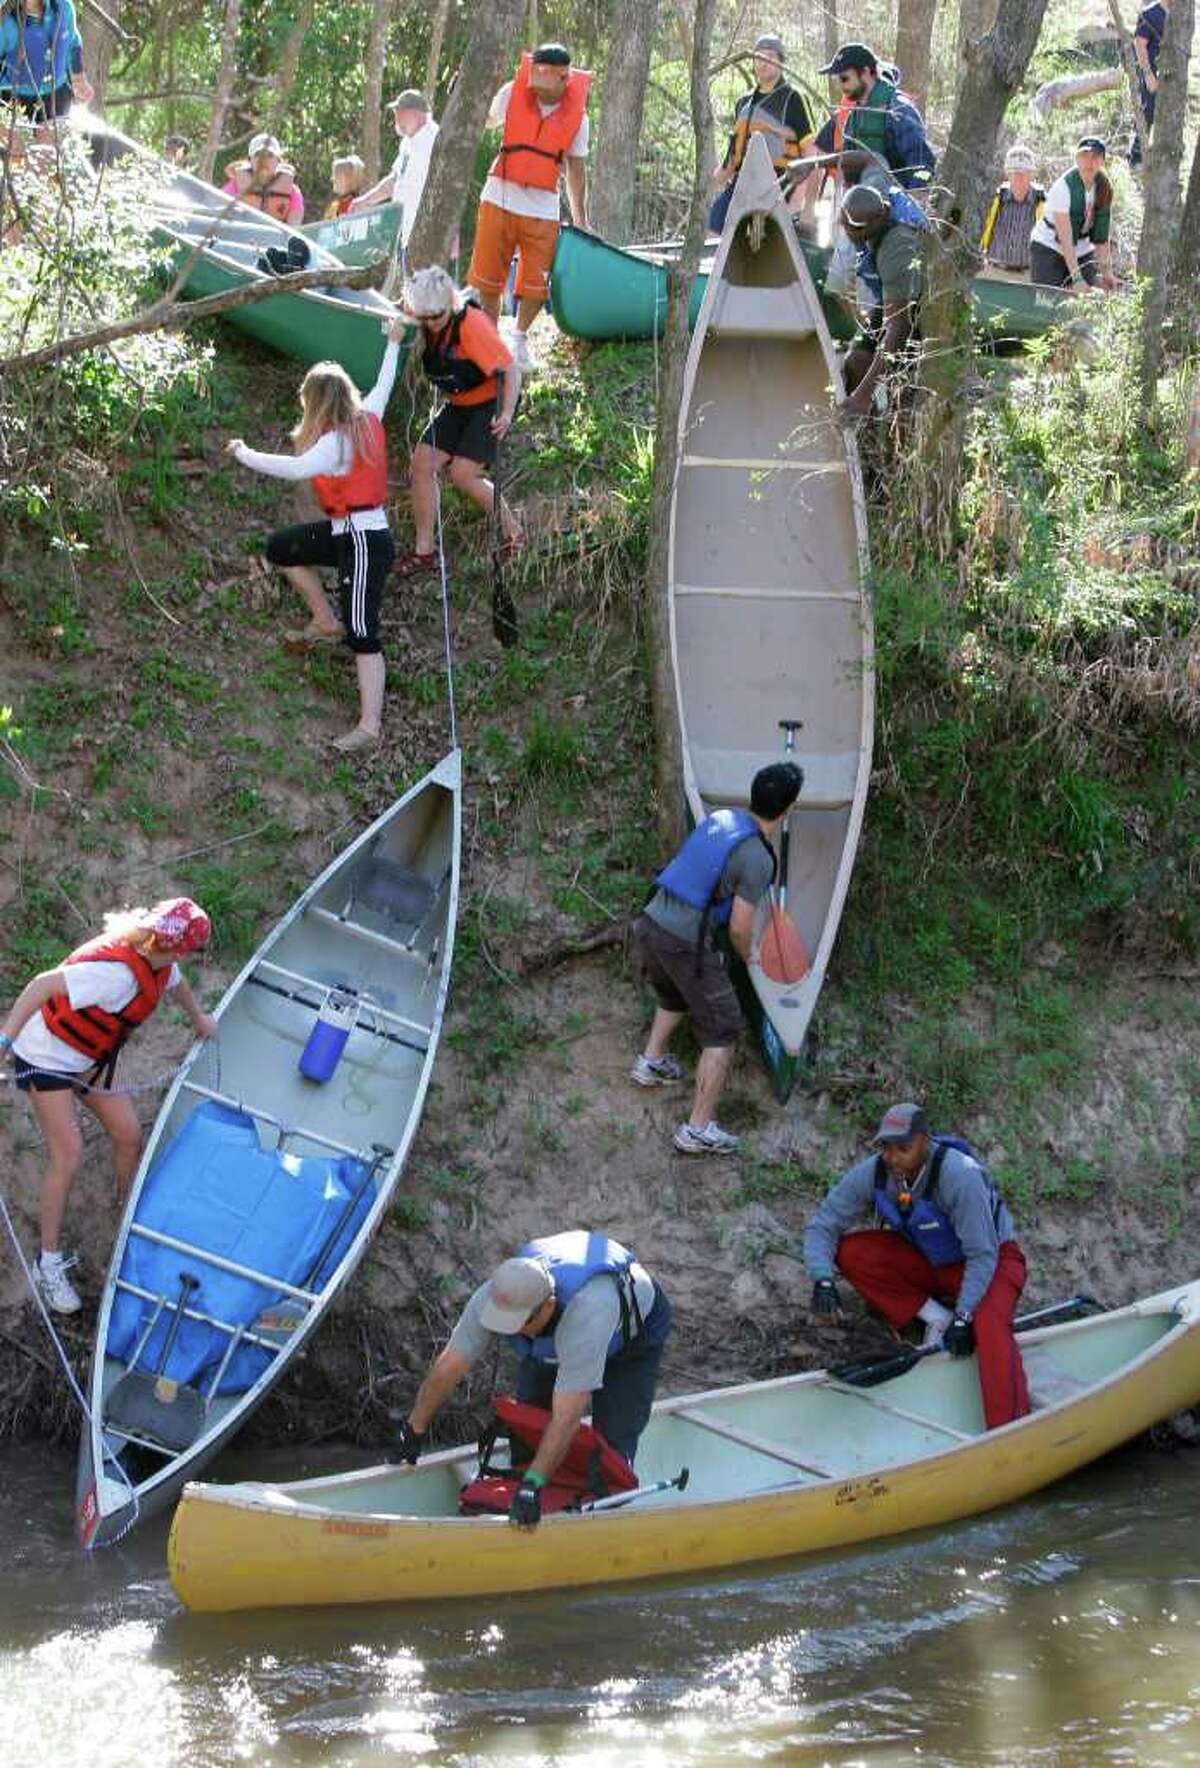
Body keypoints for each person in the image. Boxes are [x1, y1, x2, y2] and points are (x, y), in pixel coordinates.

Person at [0, 899, 215, 1314]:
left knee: (129, 1135)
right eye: (186, 950)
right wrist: (6, 1038)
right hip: (44, 1059)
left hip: (87, 1058)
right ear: (164, 941)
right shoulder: (113, 975)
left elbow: (176, 982)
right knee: (69, 1155)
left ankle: (125, 1209)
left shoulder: (159, 960)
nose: (185, 958)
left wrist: (200, 1019)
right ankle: (48, 1263)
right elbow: (42, 985)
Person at [393, 1231, 672, 1527]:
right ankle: (524, 1508)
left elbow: (567, 1417)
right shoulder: (496, 1295)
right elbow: (450, 1365)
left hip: (629, 1338)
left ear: (548, 1305)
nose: (510, 1331)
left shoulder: (586, 1313)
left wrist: (533, 1484)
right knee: (530, 1425)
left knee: (611, 1454)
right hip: (557, 1334)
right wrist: (414, 1428)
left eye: (518, 1323)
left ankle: (600, 1514)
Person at [225, 319, 408, 754]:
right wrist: (394, 343)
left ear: (319, 403)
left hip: (365, 540)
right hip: (345, 533)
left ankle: (369, 726)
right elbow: (386, 381)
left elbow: (293, 469)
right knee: (281, 548)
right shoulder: (371, 414)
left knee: (362, 630)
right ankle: (323, 621)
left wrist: (243, 453)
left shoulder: (337, 443)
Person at [804, 1102, 1031, 1430]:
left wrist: (966, 1316)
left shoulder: (959, 1176)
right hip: (930, 1260)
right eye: (886, 1148)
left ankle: (1009, 1427)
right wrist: (822, 1278)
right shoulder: (876, 1172)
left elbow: (983, 1254)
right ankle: (937, 1318)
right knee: (851, 1251)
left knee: (990, 1329)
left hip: (992, 1262)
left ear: (926, 1141)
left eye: (904, 1148)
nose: (893, 1157)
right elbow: (823, 1225)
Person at [630, 763, 803, 1156]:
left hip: (651, 920)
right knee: (723, 1028)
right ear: (788, 810)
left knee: (675, 992)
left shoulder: (722, 819)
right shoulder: (759, 857)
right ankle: (698, 1128)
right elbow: (741, 927)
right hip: (683, 939)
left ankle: (651, 1061)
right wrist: (751, 957)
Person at [392, 264, 522, 581]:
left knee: (463, 474)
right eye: (424, 318)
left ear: (449, 304)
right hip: (458, 405)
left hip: (488, 403)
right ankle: (424, 551)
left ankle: (515, 534)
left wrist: (506, 413)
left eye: (436, 317)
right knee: (422, 464)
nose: (430, 324)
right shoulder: (424, 316)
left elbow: (511, 368)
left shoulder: (472, 325)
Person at [468, 43, 590, 371]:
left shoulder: (579, 118)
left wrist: (580, 219)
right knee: (489, 280)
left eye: (549, 72)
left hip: (543, 209)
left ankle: (519, 337)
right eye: (537, 69)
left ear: (565, 78)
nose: (540, 77)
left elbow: (576, 170)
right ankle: (491, 342)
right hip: (499, 198)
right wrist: (465, 92)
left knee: (536, 284)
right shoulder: (512, 92)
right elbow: (485, 120)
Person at [792, 43, 934, 316]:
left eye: (845, 78)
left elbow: (923, 166)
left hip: (894, 220)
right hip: (858, 215)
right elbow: (847, 164)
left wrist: (913, 215)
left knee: (884, 296)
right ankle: (866, 339)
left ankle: (886, 347)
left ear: (867, 73)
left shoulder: (898, 109)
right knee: (838, 284)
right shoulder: (855, 115)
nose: (841, 85)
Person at [836, 172, 926, 421]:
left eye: (848, 227)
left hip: (918, 306)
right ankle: (863, 436)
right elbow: (867, 160)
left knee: (903, 396)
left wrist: (863, 396)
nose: (843, 229)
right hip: (894, 298)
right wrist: (817, 162)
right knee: (856, 362)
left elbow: (899, 326)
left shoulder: (896, 249)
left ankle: (891, 446)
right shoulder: (876, 200)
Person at [708, 32, 815, 234]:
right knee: (713, 226)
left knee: (761, 243)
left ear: (781, 62)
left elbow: (811, 153)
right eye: (758, 57)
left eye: (770, 57)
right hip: (743, 181)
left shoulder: (794, 98)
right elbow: (732, 157)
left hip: (781, 182)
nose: (763, 63)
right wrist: (707, 187)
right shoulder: (744, 102)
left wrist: (800, 203)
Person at [350, 89, 438, 251]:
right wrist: (364, 201)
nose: (396, 118)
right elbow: (394, 180)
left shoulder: (435, 139)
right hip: (403, 232)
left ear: (417, 114)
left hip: (426, 233)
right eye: (396, 112)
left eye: (400, 112)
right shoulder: (407, 142)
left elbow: (446, 186)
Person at [1027, 137, 1117, 291]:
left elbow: (1101, 238)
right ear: (1076, 159)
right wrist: (1076, 279)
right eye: (1084, 156)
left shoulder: (1104, 187)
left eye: (1095, 157)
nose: (1089, 162)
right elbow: (1065, 240)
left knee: (1087, 298)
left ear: (1102, 161)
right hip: (1050, 246)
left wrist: (1107, 272)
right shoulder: (1063, 188)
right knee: (1047, 299)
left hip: (1082, 248)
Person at [0, 0, 92, 123]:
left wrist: (79, 78)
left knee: (51, 139)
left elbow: (73, 43)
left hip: (57, 96)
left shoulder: (62, 6)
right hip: (13, 99)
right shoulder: (4, 17)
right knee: (17, 141)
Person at [979, 144, 1045, 273]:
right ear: (1007, 174)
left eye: (1024, 173)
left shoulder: (1043, 202)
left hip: (1030, 276)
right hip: (995, 272)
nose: (1019, 177)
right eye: (1015, 172)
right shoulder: (995, 199)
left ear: (1032, 175)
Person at [222, 132, 305, 223]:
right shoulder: (235, 186)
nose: (263, 160)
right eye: (258, 155)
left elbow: (294, 227)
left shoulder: (292, 192)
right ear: (250, 160)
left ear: (278, 161)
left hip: (275, 236)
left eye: (269, 155)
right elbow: (218, 213)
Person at [1129, 0, 1171, 169]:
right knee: (1148, 112)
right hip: (1150, 73)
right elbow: (1139, 44)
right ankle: (1135, 157)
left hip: (1170, 76)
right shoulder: (1149, 14)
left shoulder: (1179, 15)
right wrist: (1148, 75)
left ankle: (1162, 156)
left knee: (1166, 114)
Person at [323, 153, 364, 218]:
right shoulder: (334, 207)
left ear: (348, 179)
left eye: (336, 176)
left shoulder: (356, 206)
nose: (332, 179)